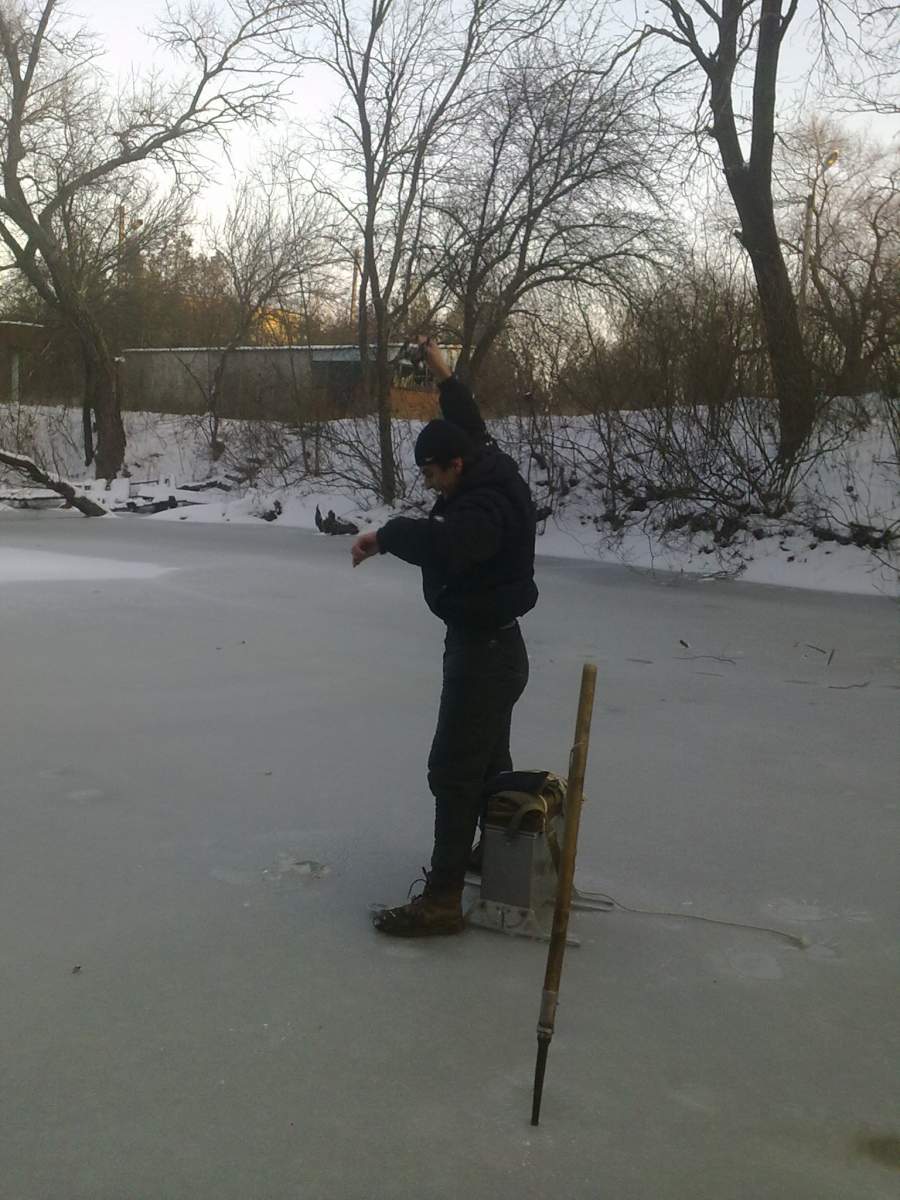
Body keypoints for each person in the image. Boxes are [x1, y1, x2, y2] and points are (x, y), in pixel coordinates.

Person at [351, 337, 538, 936]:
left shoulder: (482, 507)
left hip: (485, 655)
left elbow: (446, 543)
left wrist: (386, 536)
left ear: (456, 465)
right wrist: (444, 375)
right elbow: (469, 421)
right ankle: (493, 852)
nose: (431, 485)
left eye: (433, 475)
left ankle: (442, 901)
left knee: (453, 773)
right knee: (487, 763)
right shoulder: (482, 462)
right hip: (495, 647)